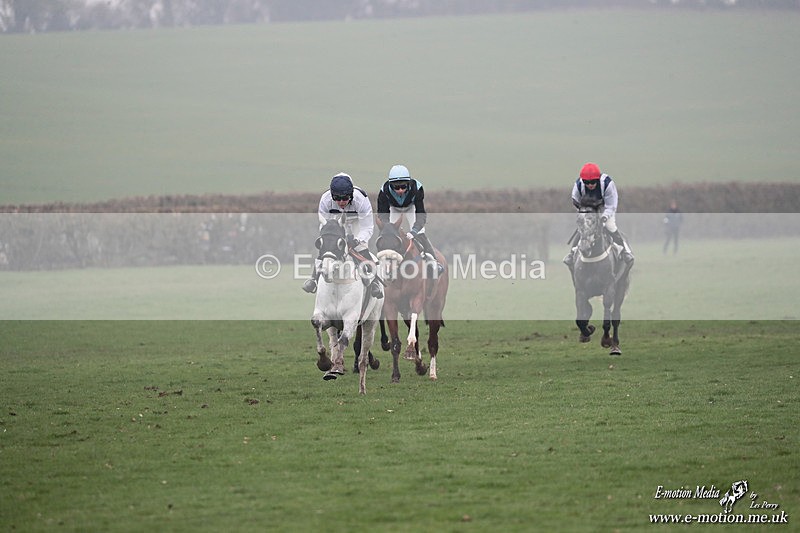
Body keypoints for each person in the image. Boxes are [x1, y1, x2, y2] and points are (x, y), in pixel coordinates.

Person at [303, 172, 383, 299]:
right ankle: (314, 279)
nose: (341, 202)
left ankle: (374, 283)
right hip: (334, 223)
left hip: (357, 223)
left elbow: (367, 227)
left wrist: (357, 241)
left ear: (351, 195)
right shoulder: (325, 200)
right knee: (326, 248)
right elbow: (325, 225)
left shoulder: (361, 199)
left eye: (345, 198)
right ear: (332, 196)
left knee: (361, 249)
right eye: (337, 198)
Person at [563, 162, 635, 267]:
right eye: (587, 182)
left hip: (604, 209)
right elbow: (576, 201)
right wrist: (583, 214)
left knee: (610, 226)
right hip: (588, 209)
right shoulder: (578, 185)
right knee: (582, 229)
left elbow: (611, 205)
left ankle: (625, 251)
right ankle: (572, 253)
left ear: (598, 179)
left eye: (593, 182)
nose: (590, 185)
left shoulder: (607, 184)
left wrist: (604, 217)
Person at [376, 164, 443, 275]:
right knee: (386, 233)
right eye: (396, 187)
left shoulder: (417, 188)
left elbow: (421, 214)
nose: (400, 190)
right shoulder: (384, 191)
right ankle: (379, 262)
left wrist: (414, 230)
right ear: (390, 185)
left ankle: (434, 262)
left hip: (411, 207)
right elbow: (382, 215)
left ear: (409, 183)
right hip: (393, 208)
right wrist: (388, 228)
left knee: (421, 233)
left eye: (403, 186)